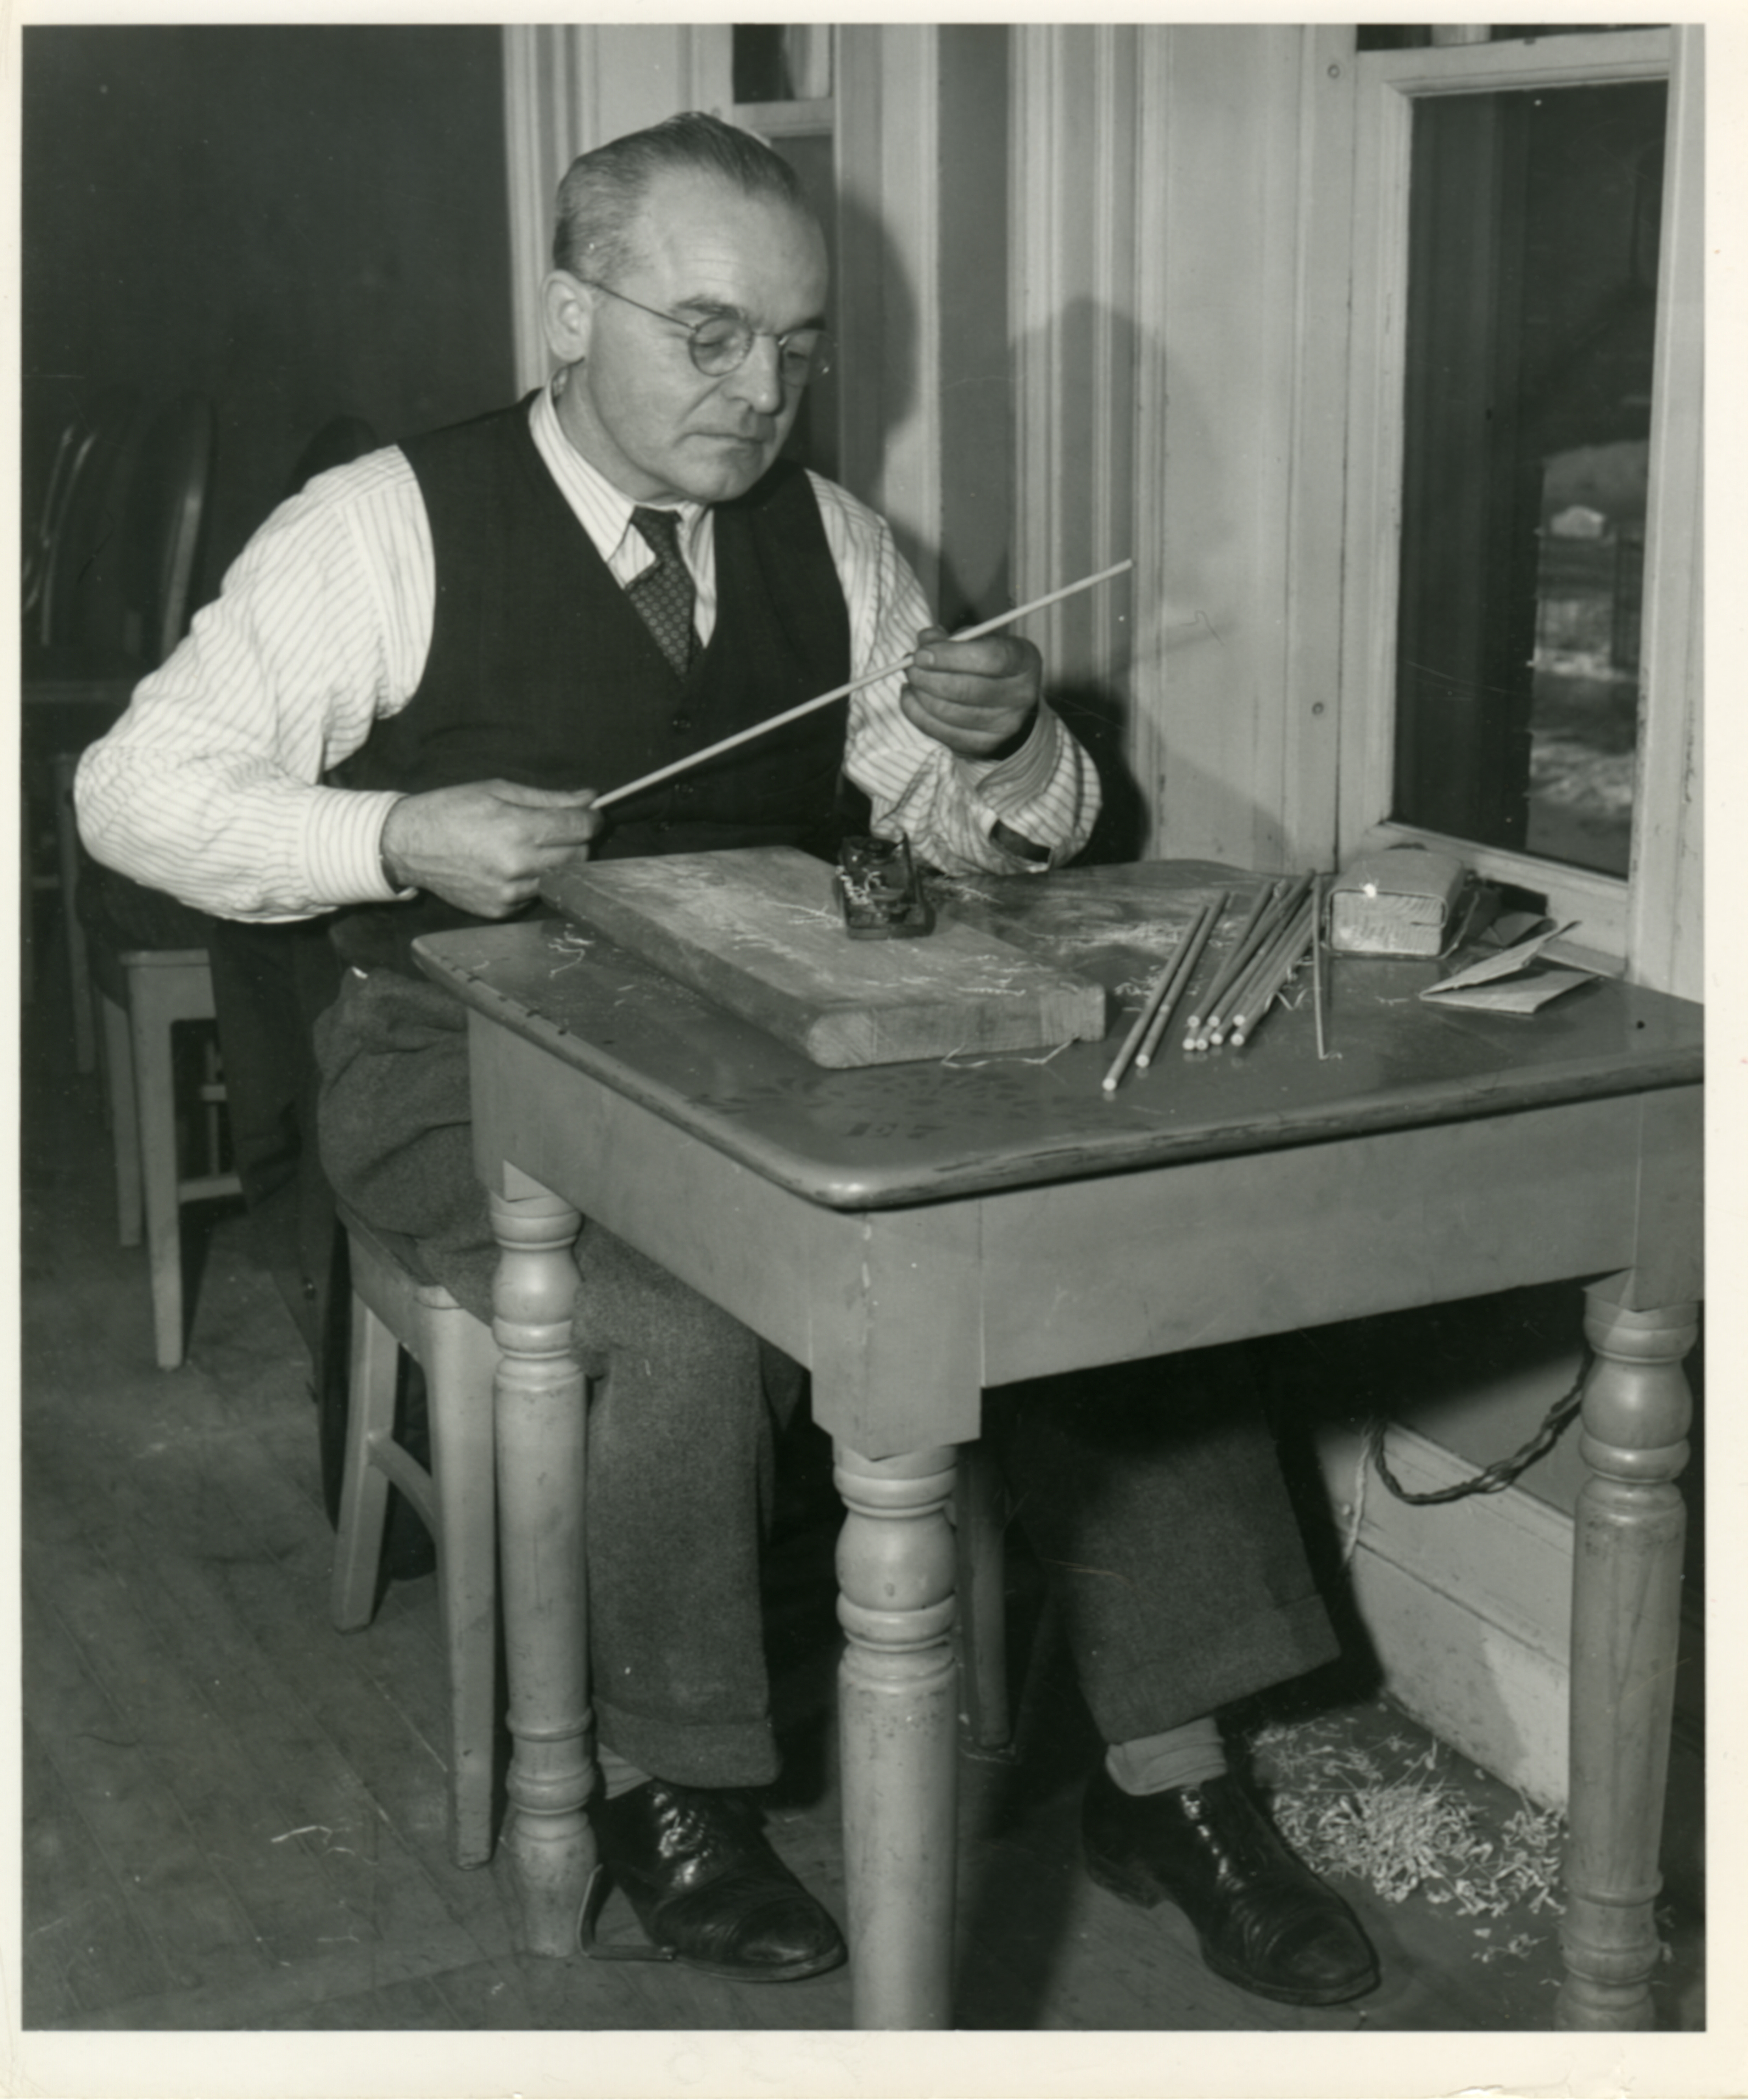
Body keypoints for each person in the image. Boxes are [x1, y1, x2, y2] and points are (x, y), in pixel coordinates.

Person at [78, 112, 1376, 2009]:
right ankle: (665, 1784)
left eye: (794, 342)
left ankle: (1168, 1779)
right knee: (671, 1312)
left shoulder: (830, 541)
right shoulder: (382, 525)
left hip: (759, 1031)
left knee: (1079, 1238)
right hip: (454, 1052)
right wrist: (393, 837)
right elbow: (130, 790)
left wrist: (997, 746)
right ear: (564, 313)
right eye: (704, 332)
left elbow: (973, 825)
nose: (758, 388)